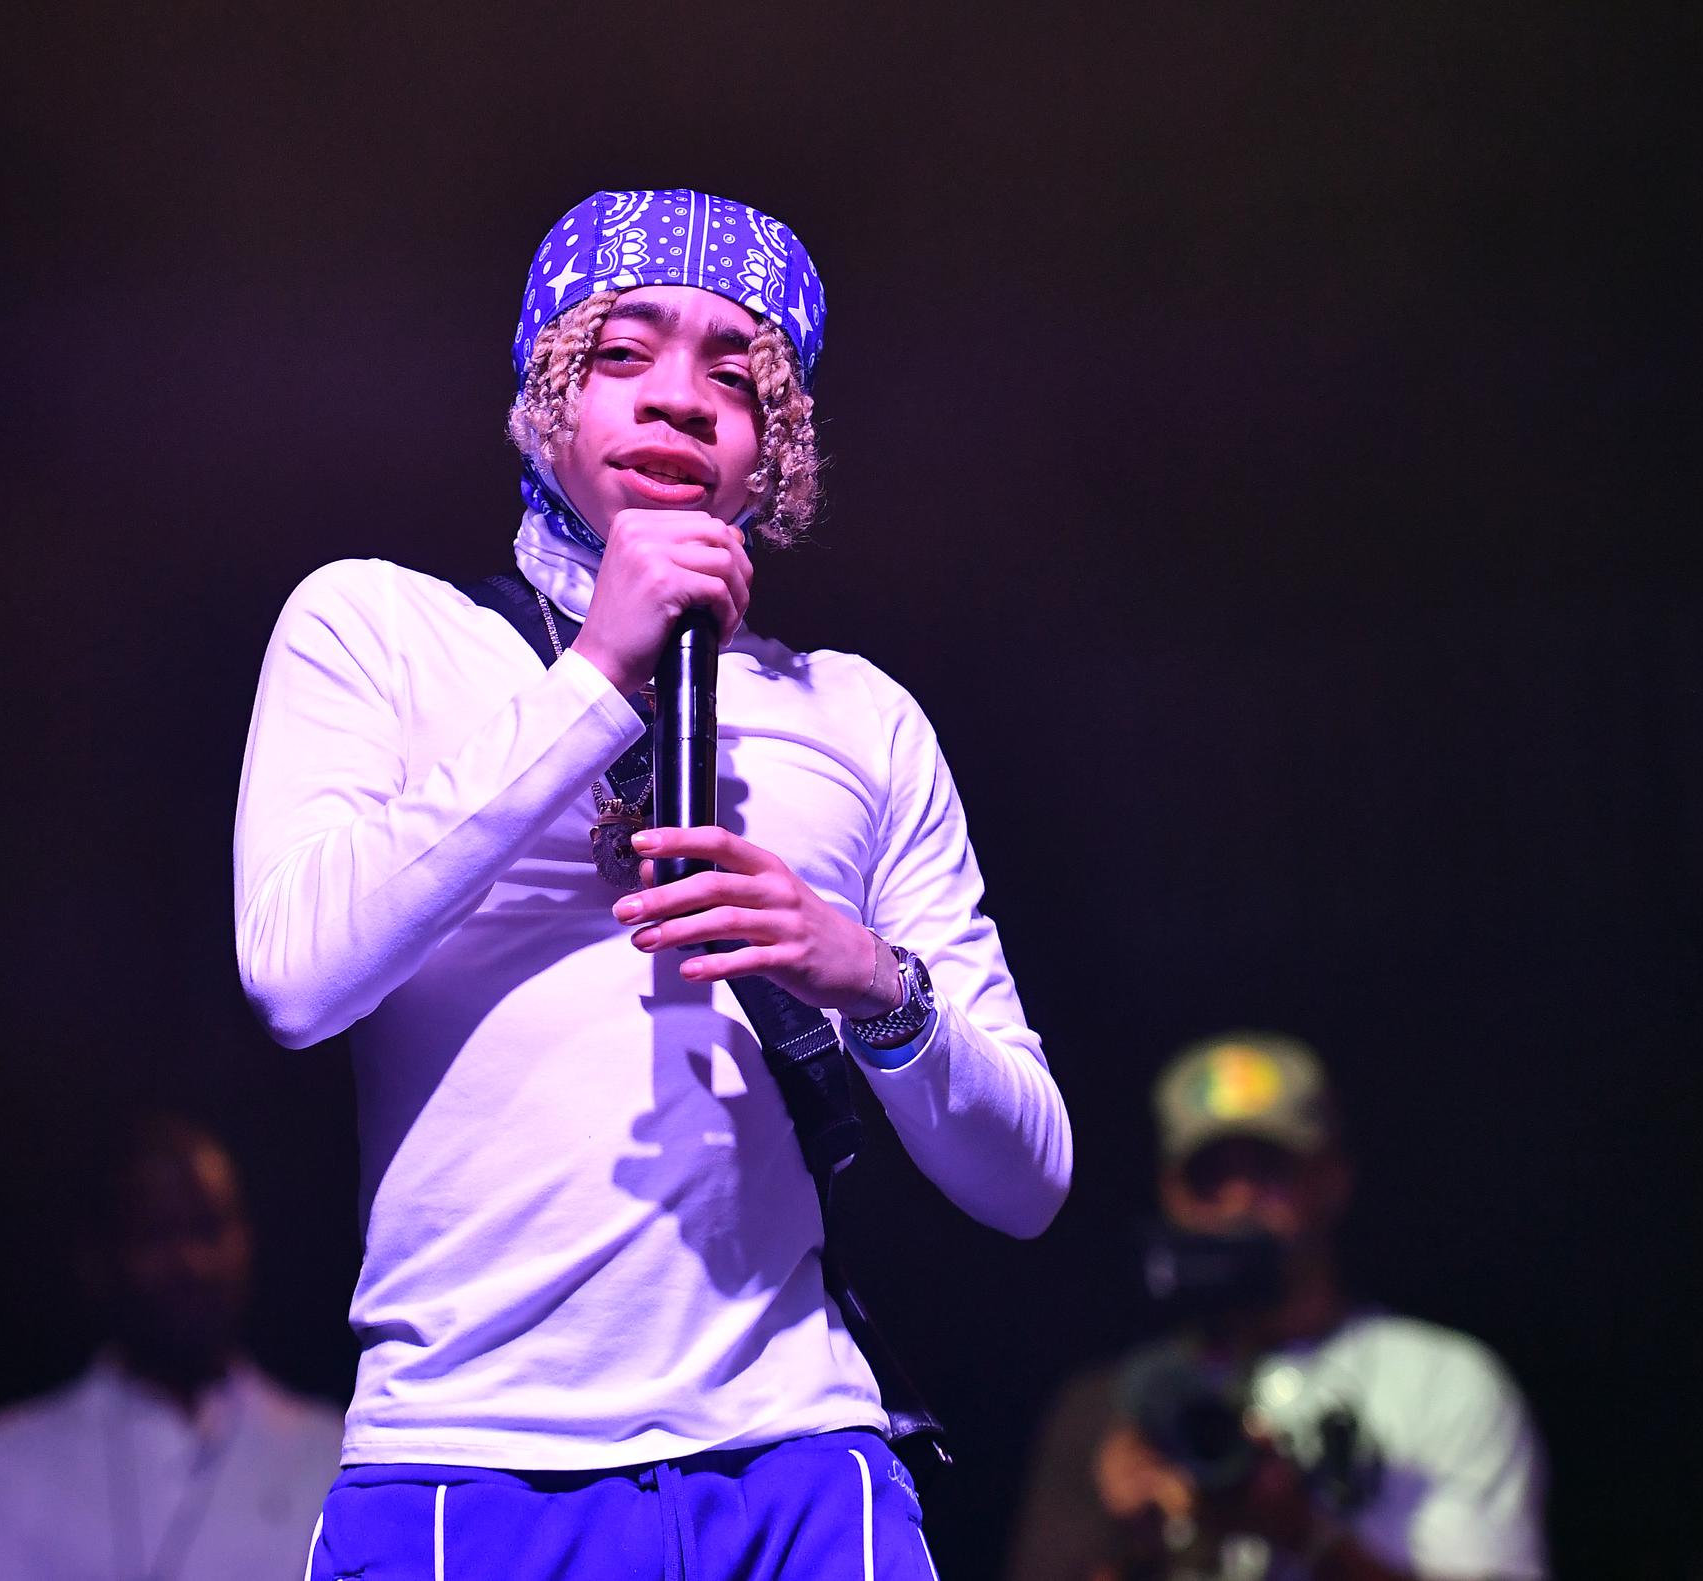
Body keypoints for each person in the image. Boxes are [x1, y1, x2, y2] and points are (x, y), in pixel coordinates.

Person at [235, 187, 1073, 1579]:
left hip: (797, 1456)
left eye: (734, 374)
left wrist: (860, 971)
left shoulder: (859, 715)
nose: (680, 400)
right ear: (542, 393)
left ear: (777, 450)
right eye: (622, 354)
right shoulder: (378, 628)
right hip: (467, 1457)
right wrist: (597, 675)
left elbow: (1030, 1178)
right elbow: (295, 977)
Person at [1005, 1033, 1548, 1581]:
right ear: (1170, 1194)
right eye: (1209, 1177)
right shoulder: (1107, 1407)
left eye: (1268, 1171)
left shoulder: (1444, 1383)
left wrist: (1301, 1531)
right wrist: (1120, 1536)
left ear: (1331, 1180)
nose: (1239, 1200)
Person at [0, 1115, 343, 1581]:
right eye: (157, 1233)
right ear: (99, 1258)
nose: (190, 1263)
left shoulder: (330, 1453)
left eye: (208, 1229)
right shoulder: (4, 1463)